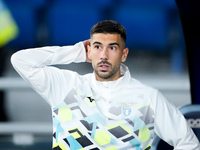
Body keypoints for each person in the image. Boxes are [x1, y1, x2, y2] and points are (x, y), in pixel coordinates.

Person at [11, 20, 200, 150]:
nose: (103, 55)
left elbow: (189, 143)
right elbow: (20, 60)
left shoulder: (148, 96)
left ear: (124, 54)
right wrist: (75, 52)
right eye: (97, 47)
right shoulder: (66, 85)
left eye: (112, 47)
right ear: (89, 51)